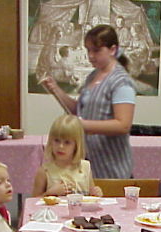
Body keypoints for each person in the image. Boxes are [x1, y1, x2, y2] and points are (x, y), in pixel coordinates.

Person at [41, 24, 136, 179]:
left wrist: (82, 125)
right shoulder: (92, 76)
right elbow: (78, 111)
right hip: (89, 163)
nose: (91, 56)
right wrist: (55, 90)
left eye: (96, 50)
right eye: (88, 50)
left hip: (112, 167)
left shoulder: (121, 81)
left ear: (112, 50)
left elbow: (123, 125)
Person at [32, 114, 104, 197]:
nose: (61, 146)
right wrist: (49, 193)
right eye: (57, 141)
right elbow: (33, 201)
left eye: (67, 142)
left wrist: (96, 193)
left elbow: (91, 197)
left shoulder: (85, 167)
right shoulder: (44, 171)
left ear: (76, 145)